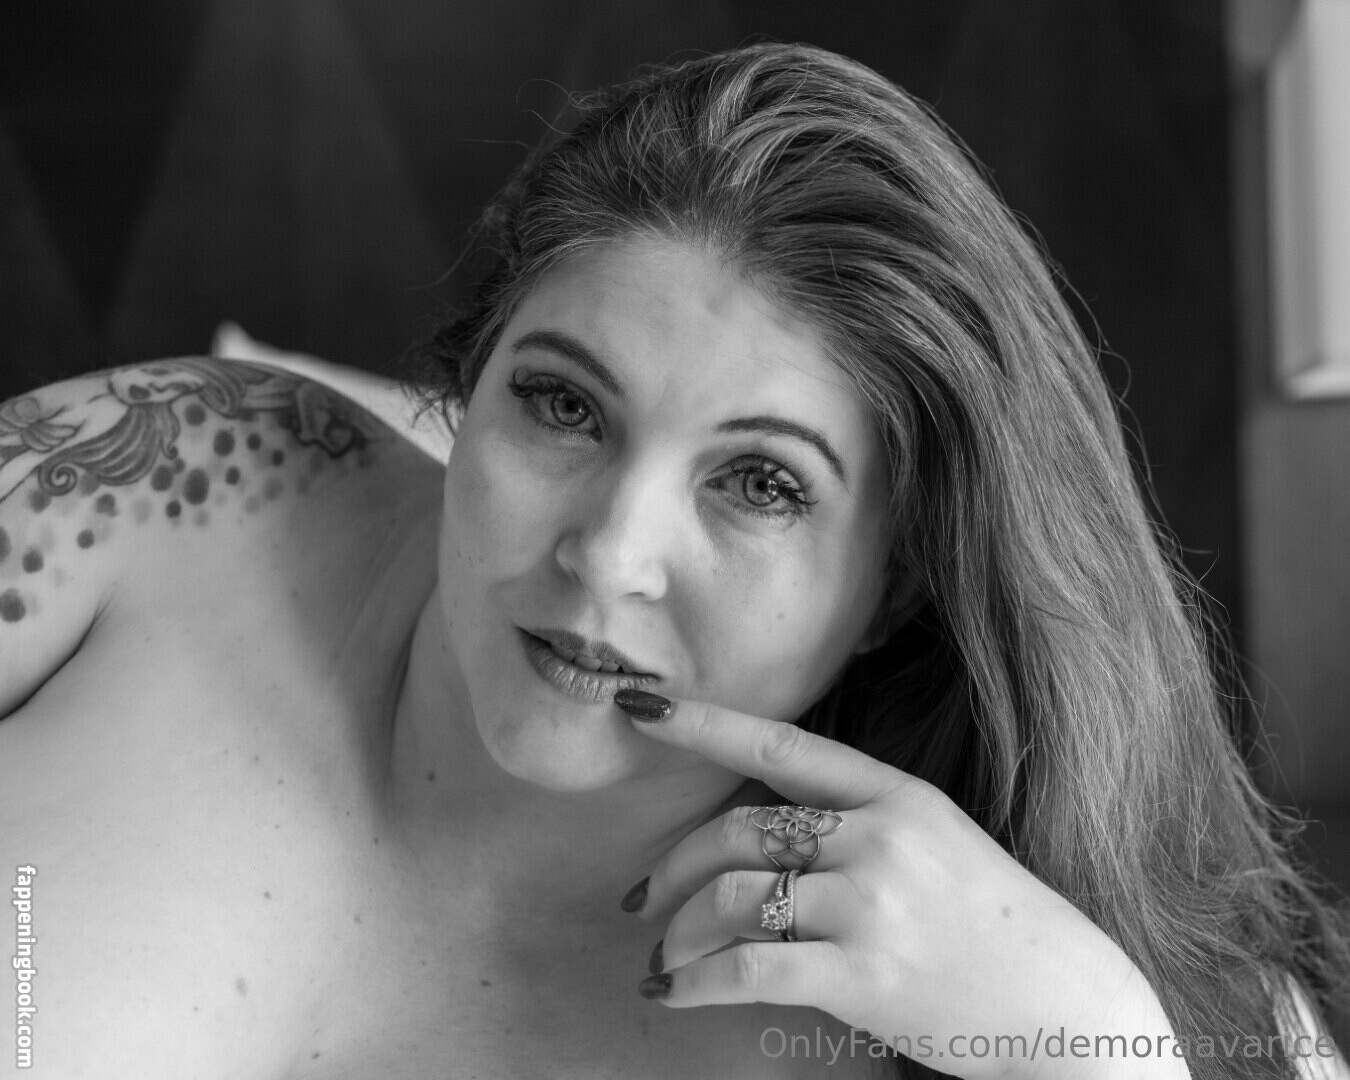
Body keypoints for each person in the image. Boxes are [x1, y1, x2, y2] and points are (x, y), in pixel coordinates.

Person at [0, 41, 1345, 1080]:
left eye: (760, 484)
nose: (607, 557)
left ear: (897, 587)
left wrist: (1093, 1046)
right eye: (562, 406)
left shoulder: (1006, 1009)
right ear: (469, 385)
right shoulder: (172, 476)